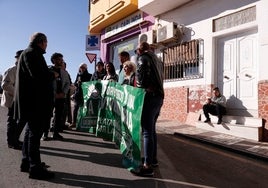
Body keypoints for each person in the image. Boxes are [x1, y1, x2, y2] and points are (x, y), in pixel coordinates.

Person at [14, 32, 55, 180]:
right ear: (41, 42)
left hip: (31, 102)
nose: (47, 45)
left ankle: (27, 162)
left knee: (29, 133)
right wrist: (52, 75)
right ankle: (35, 168)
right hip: (35, 103)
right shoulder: (32, 54)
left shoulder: (29, 53)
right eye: (46, 42)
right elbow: (38, 76)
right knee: (34, 136)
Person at [134, 42, 164, 176]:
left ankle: (147, 166)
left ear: (140, 50)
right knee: (151, 130)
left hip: (149, 96)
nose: (136, 54)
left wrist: (140, 90)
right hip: (158, 97)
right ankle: (152, 159)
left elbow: (142, 79)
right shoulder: (157, 59)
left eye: (136, 52)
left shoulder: (142, 58)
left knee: (147, 131)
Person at [1, 50, 26, 149]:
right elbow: (5, 85)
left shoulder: (23, 69)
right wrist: (18, 94)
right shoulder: (12, 69)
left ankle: (15, 140)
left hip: (20, 101)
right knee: (12, 121)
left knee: (20, 121)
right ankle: (11, 142)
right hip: (13, 100)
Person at [47, 53, 70, 140]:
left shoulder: (64, 72)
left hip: (61, 97)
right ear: (54, 60)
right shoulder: (48, 70)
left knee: (58, 115)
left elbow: (67, 83)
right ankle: (45, 133)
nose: (61, 61)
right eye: (59, 59)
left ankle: (55, 133)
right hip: (50, 96)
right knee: (48, 115)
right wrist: (54, 94)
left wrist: (63, 93)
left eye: (61, 59)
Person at [70, 63, 92, 128]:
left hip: (85, 94)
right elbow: (75, 83)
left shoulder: (89, 75)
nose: (82, 69)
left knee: (85, 108)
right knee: (75, 108)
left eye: (83, 67)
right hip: (78, 93)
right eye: (81, 67)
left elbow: (90, 84)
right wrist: (77, 83)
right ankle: (74, 122)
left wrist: (83, 83)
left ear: (86, 68)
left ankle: (85, 124)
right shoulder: (78, 75)